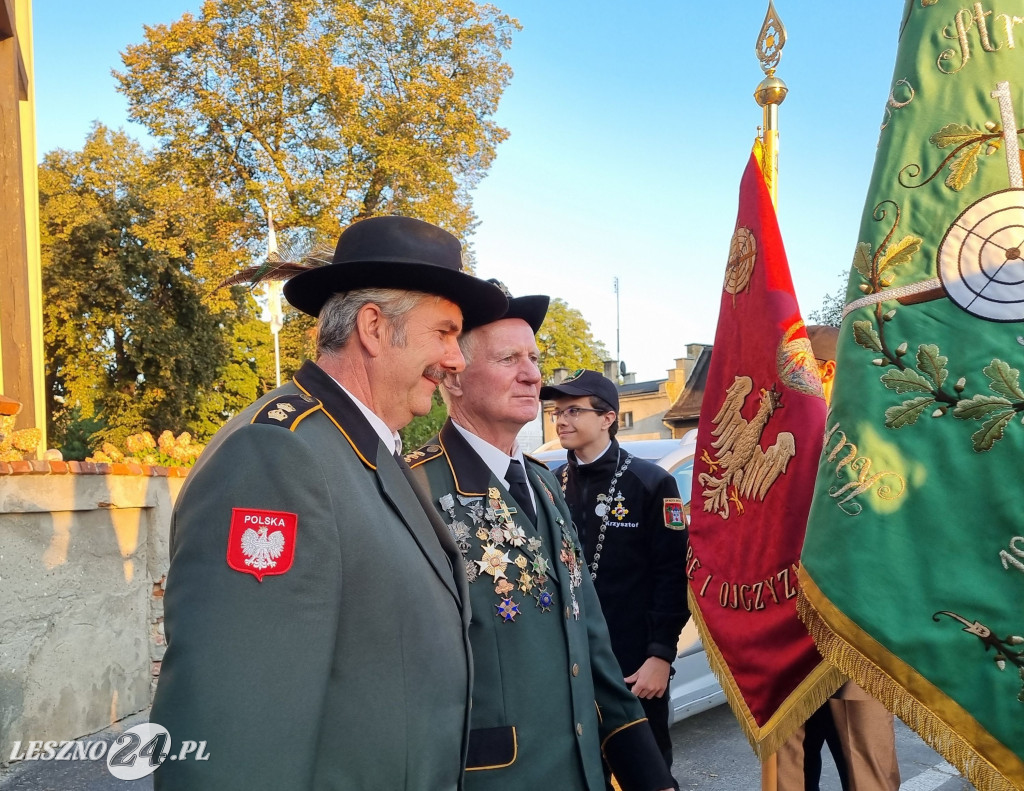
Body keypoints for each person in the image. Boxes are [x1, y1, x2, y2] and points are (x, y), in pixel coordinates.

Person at [150, 216, 508, 790]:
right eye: (444, 332)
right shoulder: (276, 456)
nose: (456, 359)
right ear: (372, 326)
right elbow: (236, 729)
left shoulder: (364, 447)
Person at [406, 282, 674, 791]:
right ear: (454, 379)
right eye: (509, 359)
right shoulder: (415, 487)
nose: (532, 375)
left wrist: (651, 778)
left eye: (533, 357)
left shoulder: (546, 483)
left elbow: (590, 639)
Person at [539, 369, 690, 788]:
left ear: (607, 418)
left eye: (573, 410)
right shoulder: (549, 485)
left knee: (648, 774)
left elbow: (672, 576)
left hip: (635, 666)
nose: (561, 420)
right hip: (571, 663)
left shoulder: (651, 482)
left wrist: (660, 657)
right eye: (556, 412)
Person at [774, 324, 901, 791]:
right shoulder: (777, 446)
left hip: (854, 635)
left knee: (868, 773)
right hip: (785, 638)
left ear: (826, 373)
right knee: (787, 774)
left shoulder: (875, 442)